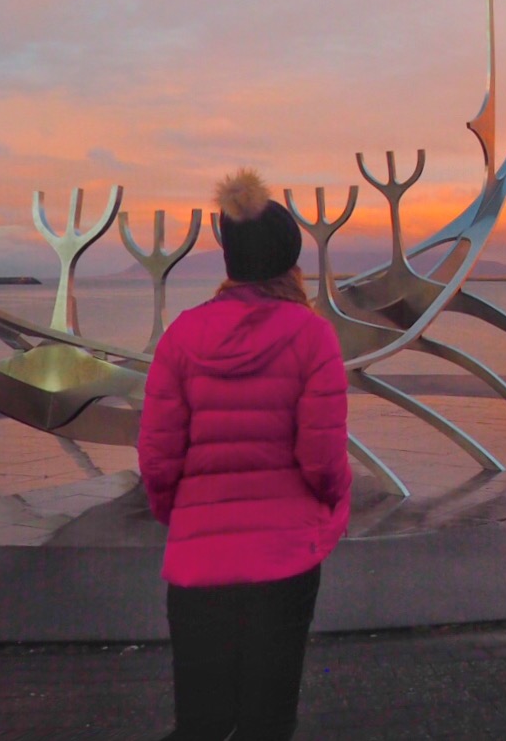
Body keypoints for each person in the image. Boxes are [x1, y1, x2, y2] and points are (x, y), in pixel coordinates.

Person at [139, 167, 352, 741]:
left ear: (231, 260)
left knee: (201, 724)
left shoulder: (182, 336)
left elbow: (157, 459)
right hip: (284, 561)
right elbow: (324, 458)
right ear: (289, 259)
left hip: (197, 564)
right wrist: (334, 505)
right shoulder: (313, 337)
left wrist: (182, 518)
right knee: (268, 721)